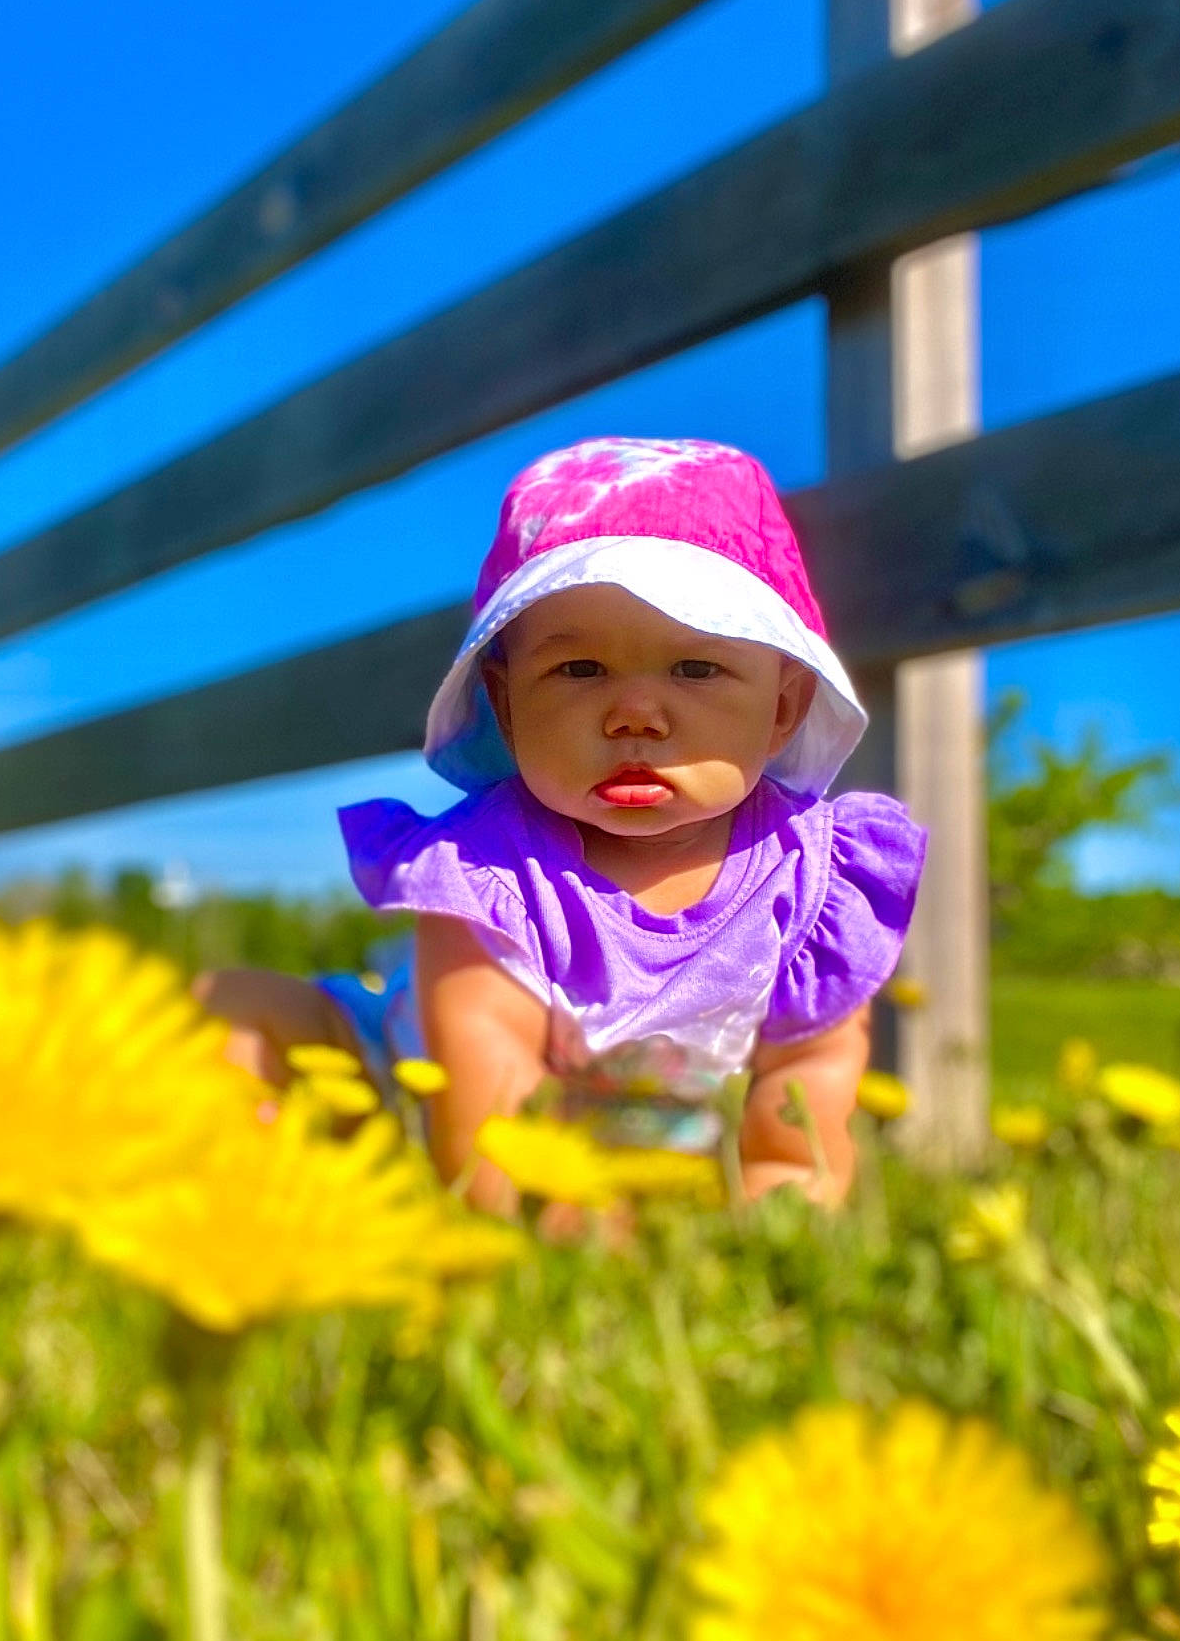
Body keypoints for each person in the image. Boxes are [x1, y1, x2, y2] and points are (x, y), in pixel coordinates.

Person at [197, 437, 925, 1214]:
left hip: (663, 1150)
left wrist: (787, 1182)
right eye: (579, 671)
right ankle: (255, 1152)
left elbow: (810, 1064)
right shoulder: (489, 867)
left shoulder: (815, 882)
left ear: (782, 706)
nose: (636, 714)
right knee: (228, 1007)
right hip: (408, 1087)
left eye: (695, 668)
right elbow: (487, 1059)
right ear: (507, 707)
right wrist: (550, 1213)